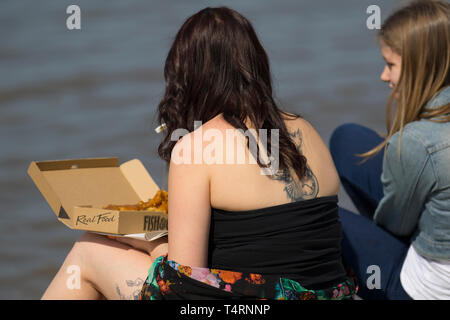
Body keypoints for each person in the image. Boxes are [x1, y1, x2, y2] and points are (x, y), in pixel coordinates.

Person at [42, 7, 357, 300]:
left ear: (190, 77)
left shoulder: (196, 147)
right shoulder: (307, 129)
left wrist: (153, 245)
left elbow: (183, 283)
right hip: (326, 294)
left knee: (86, 254)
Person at [329, 0, 449, 300]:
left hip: (425, 290)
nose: (384, 76)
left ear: (421, 67)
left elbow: (395, 221)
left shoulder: (416, 141)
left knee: (319, 218)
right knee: (348, 140)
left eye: (391, 65)